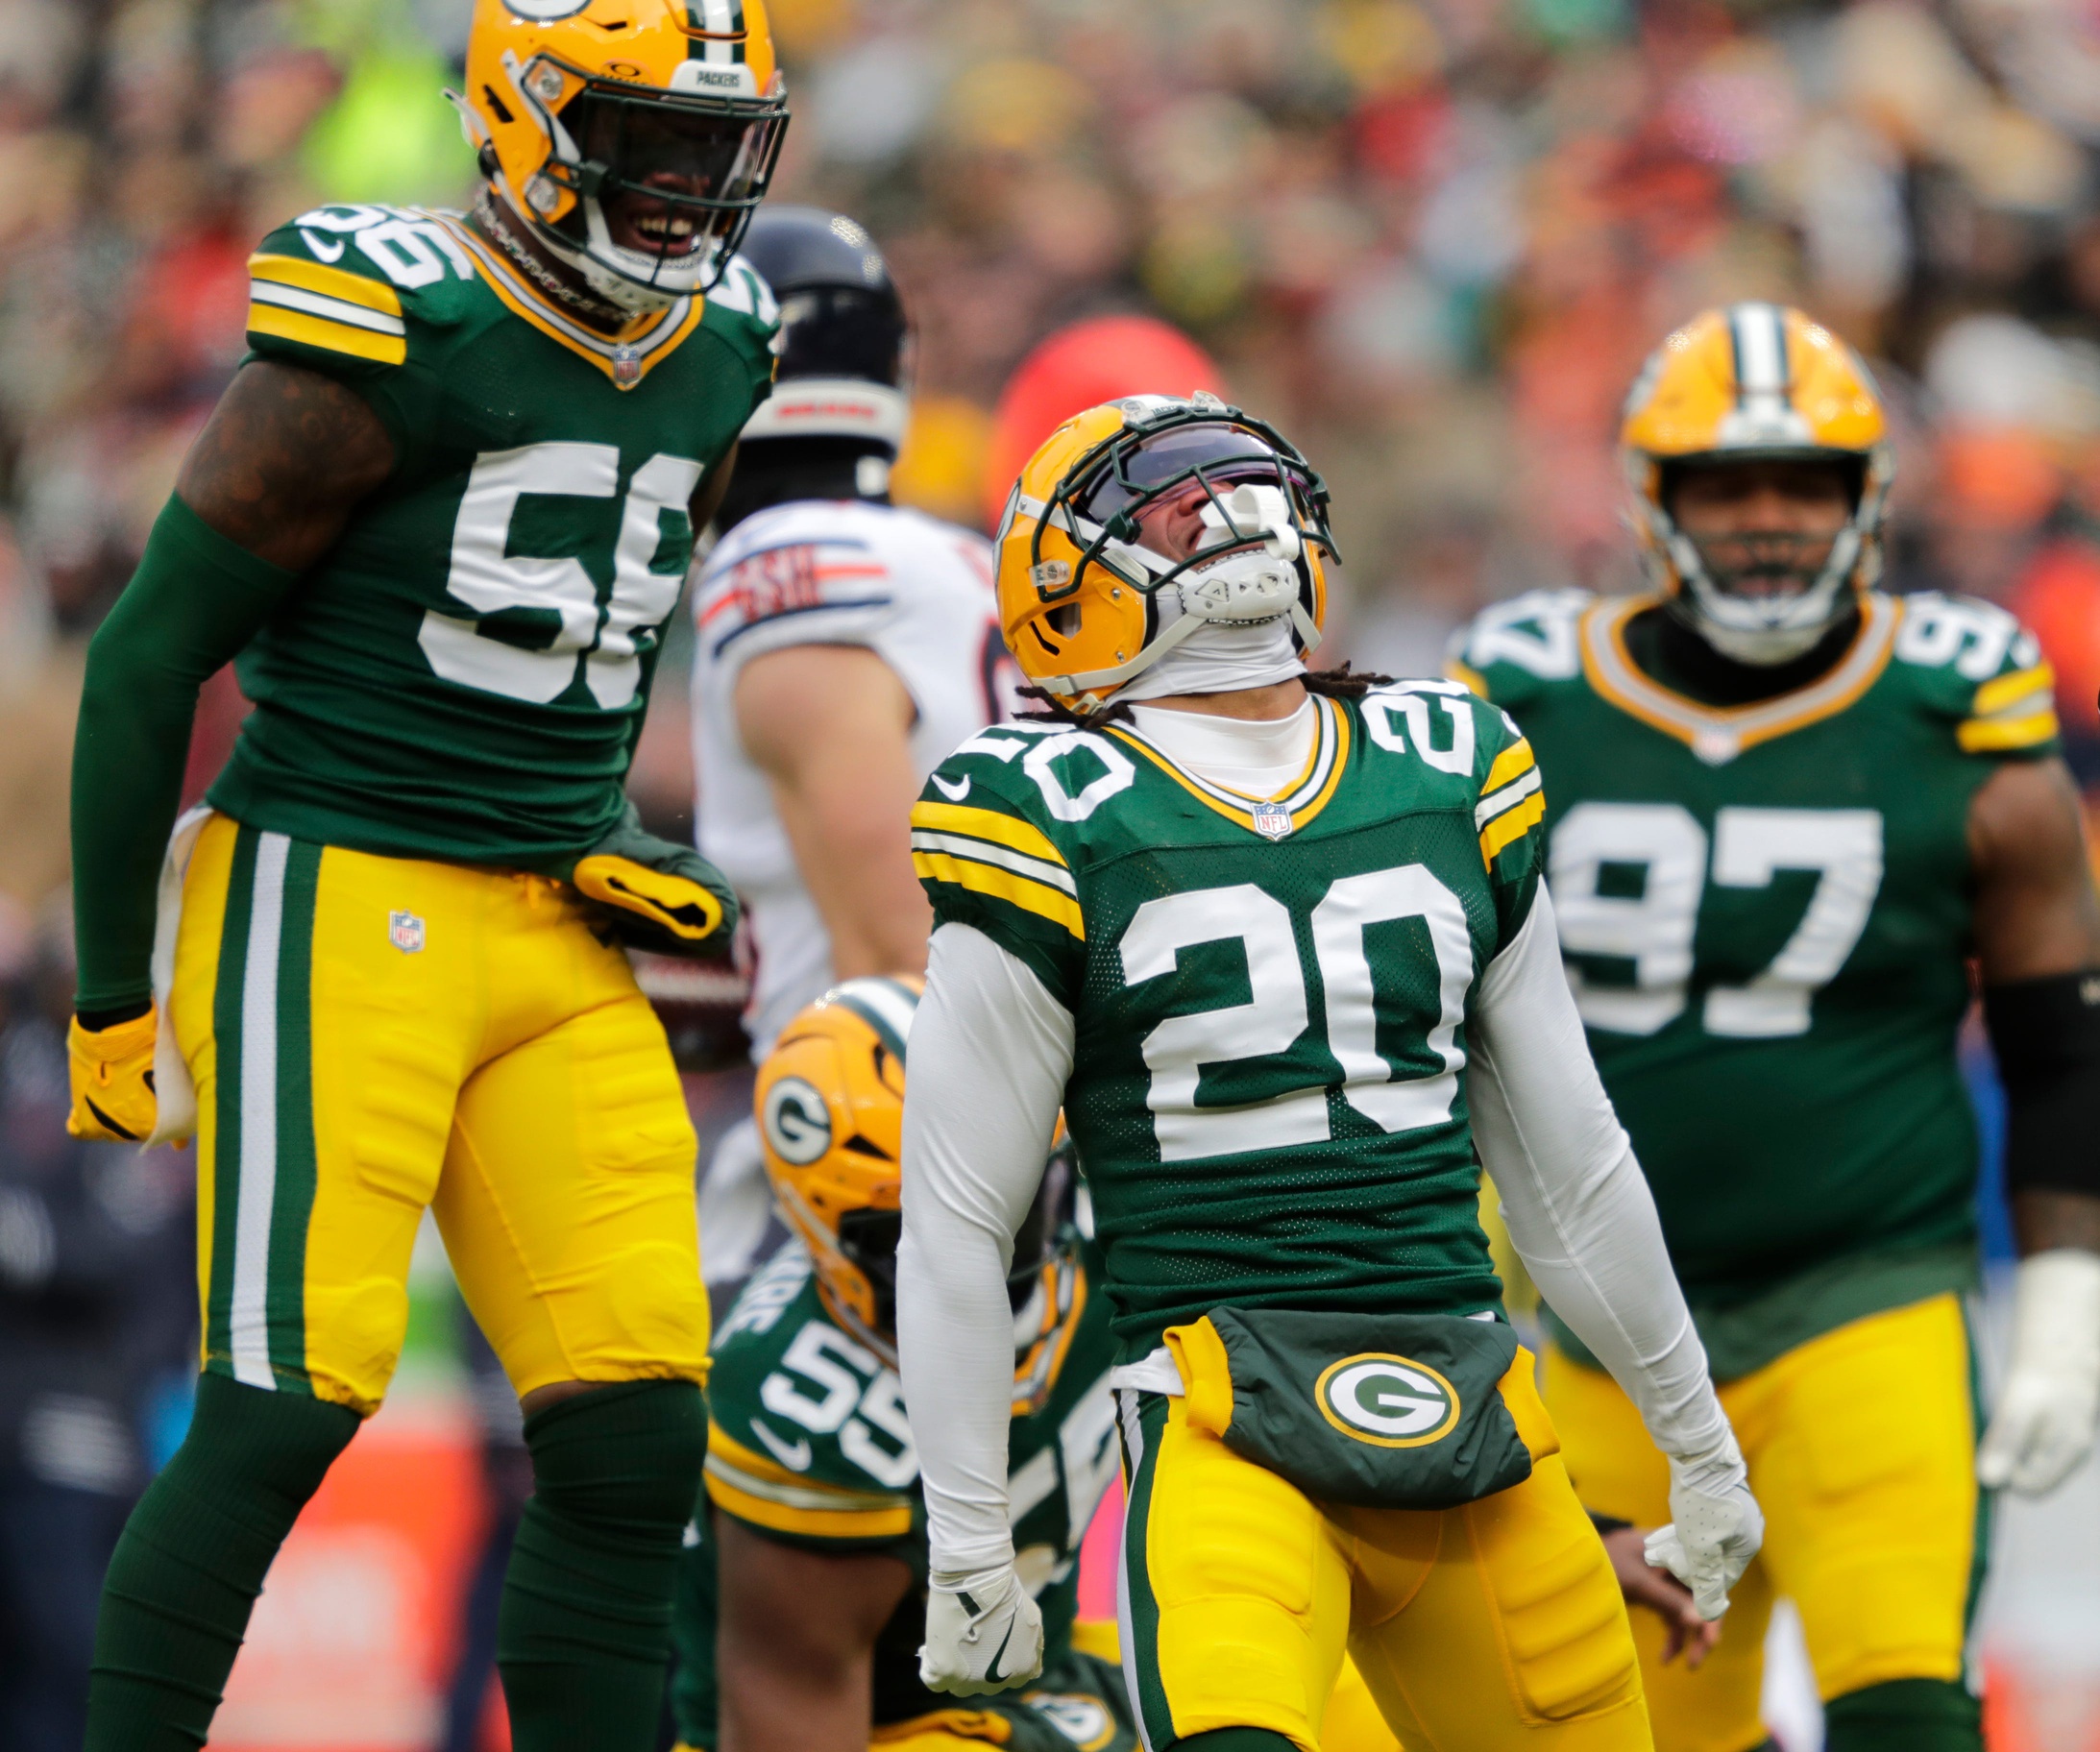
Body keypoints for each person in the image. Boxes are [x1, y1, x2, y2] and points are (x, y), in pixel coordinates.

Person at [61, 3, 790, 1747]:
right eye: (645, 135)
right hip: (336, 887)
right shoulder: (393, 319)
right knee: (279, 1404)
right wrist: (110, 989)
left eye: (716, 144)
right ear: (527, 122)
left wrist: (599, 822)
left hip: (548, 922)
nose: (686, 186)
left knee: (633, 1427)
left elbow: (566, 645)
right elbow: (146, 657)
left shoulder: (726, 341)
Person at [892, 391, 1763, 1751]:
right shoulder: (1042, 808)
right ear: (1060, 588)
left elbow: (1569, 1162)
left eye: (1232, 489)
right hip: (1222, 1421)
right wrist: (964, 1534)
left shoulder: (1447, 759)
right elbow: (957, 1214)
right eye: (1169, 504)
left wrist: (1695, 1447)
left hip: (1476, 1418)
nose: (1220, 518)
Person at [1449, 303, 2100, 1752]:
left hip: (1861, 1294)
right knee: (1639, 1733)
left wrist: (2063, 1294)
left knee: (1907, 1716)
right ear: (1651, 500)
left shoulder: (1952, 707)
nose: (1763, 523)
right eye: (1723, 487)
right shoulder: (1522, 700)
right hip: (1603, 1327)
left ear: (1862, 499)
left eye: (1799, 485)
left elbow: (2060, 1034)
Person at [667, 976, 1135, 1752]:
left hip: (1041, 1672)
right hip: (887, 1725)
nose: (967, 1256)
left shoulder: (1105, 1236)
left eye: (1004, 1202)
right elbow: (795, 1719)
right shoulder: (801, 1404)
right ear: (825, 1230)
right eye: (923, 1227)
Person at [687, 205, 1016, 1288]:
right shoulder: (947, 557)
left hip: (888, 1158)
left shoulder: (787, 567)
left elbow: (894, 954)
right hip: (1011, 1123)